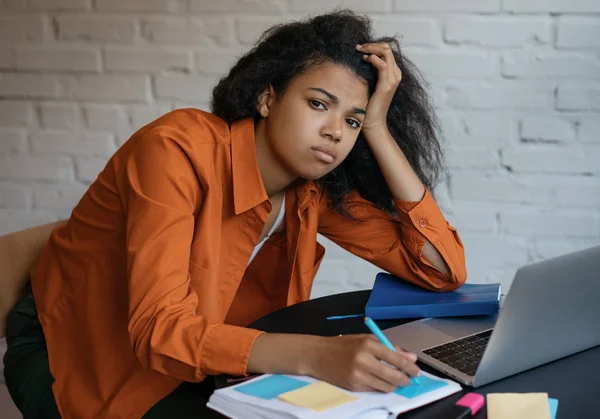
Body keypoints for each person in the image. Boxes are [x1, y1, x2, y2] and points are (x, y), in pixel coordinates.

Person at [3, 9, 467, 419]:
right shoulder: (175, 150)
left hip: (199, 357)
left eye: (351, 120)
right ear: (267, 99)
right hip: (77, 353)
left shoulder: (311, 193)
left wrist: (378, 129)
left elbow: (441, 270)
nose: (334, 132)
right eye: (318, 104)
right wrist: (317, 356)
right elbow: (158, 331)